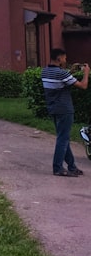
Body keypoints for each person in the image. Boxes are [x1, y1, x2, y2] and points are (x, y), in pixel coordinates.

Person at [41, 48, 89, 177]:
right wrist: (86, 73)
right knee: (63, 139)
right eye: (64, 58)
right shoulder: (62, 74)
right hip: (65, 109)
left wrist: (70, 72)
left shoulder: (45, 71)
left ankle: (72, 167)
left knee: (64, 137)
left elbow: (59, 81)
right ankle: (57, 168)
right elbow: (83, 86)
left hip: (54, 109)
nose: (65, 60)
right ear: (59, 59)